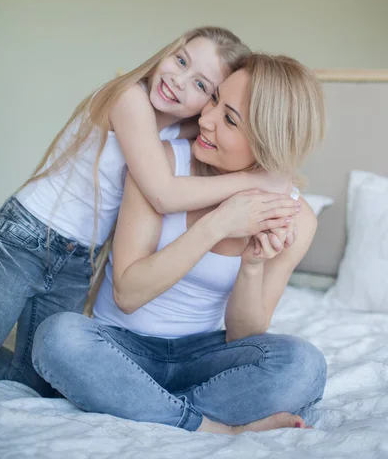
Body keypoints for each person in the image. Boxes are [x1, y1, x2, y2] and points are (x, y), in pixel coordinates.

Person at [32, 53, 327, 434]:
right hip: (120, 348)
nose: (205, 119)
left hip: (202, 356)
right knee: (58, 337)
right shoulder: (163, 166)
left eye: (230, 119)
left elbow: (242, 336)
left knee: (305, 365)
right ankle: (208, 425)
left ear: (268, 141)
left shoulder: (297, 219)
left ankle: (141, 403)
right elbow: (128, 292)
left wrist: (252, 266)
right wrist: (220, 222)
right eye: (215, 100)